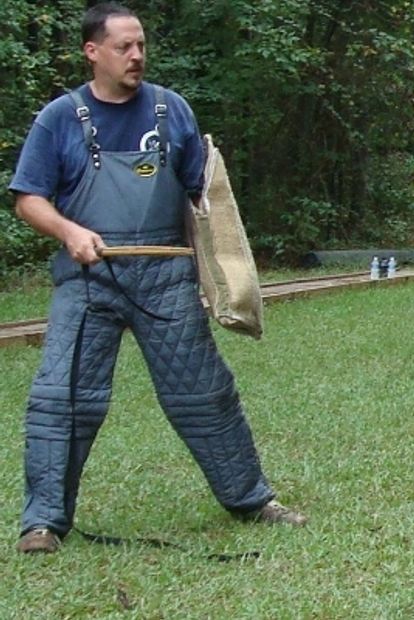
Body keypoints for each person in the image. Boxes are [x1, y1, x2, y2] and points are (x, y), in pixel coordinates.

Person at [9, 2, 306, 554]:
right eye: (123, 46)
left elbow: (205, 201)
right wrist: (69, 232)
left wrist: (219, 277)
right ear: (92, 52)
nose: (137, 55)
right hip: (89, 278)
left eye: (141, 44)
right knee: (62, 399)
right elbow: (28, 199)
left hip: (167, 279)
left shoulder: (172, 111)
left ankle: (250, 499)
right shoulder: (59, 117)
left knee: (205, 394)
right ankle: (43, 523)